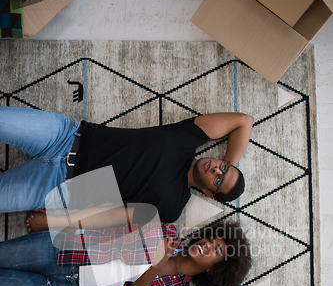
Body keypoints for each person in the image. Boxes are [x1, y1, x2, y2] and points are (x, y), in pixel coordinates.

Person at [0, 107, 253, 223]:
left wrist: (57, 218)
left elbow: (110, 218)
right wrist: (230, 166)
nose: (217, 169)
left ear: (209, 193)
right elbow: (243, 121)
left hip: (58, 188)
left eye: (218, 180)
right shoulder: (189, 138)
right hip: (65, 136)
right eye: (223, 167)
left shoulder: (172, 208)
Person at [0, 220, 252, 286]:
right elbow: (113, 226)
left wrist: (155, 267)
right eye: (212, 239)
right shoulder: (168, 232)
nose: (207, 244)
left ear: (214, 269)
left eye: (216, 250)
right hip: (64, 251)